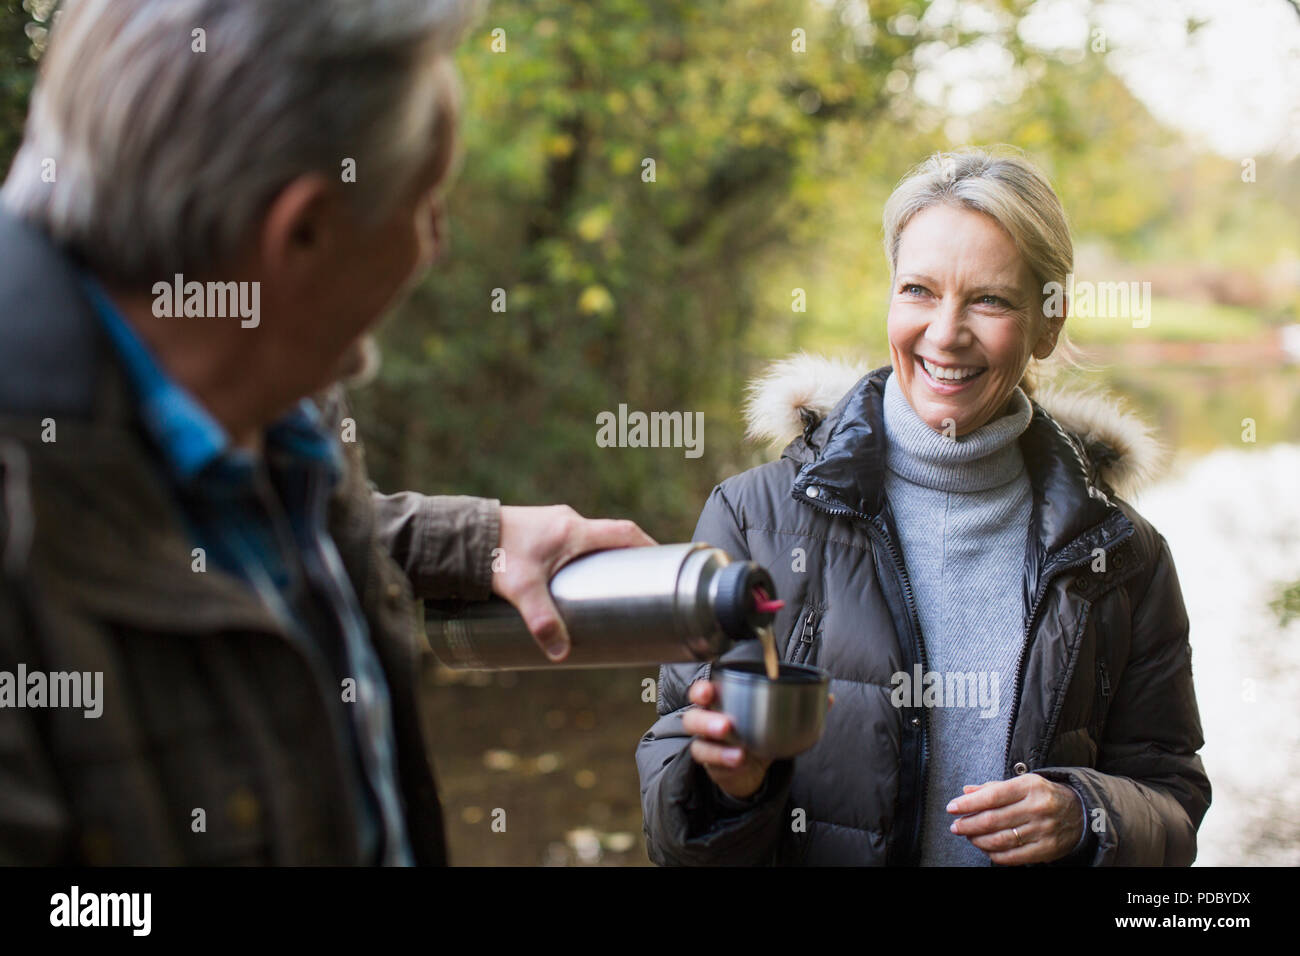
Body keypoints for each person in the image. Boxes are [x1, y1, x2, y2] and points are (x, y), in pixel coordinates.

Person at [0, 0, 654, 865]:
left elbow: (205, 530)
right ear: (300, 231)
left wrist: (470, 540)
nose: (434, 245)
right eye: (425, 205)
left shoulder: (269, 403)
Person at [637, 148, 1211, 866]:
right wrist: (728, 786)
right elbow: (671, 828)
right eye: (918, 290)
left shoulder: (1121, 555)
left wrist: (1087, 816)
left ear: (1047, 324)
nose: (945, 333)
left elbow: (1170, 800)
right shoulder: (754, 519)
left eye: (990, 299)